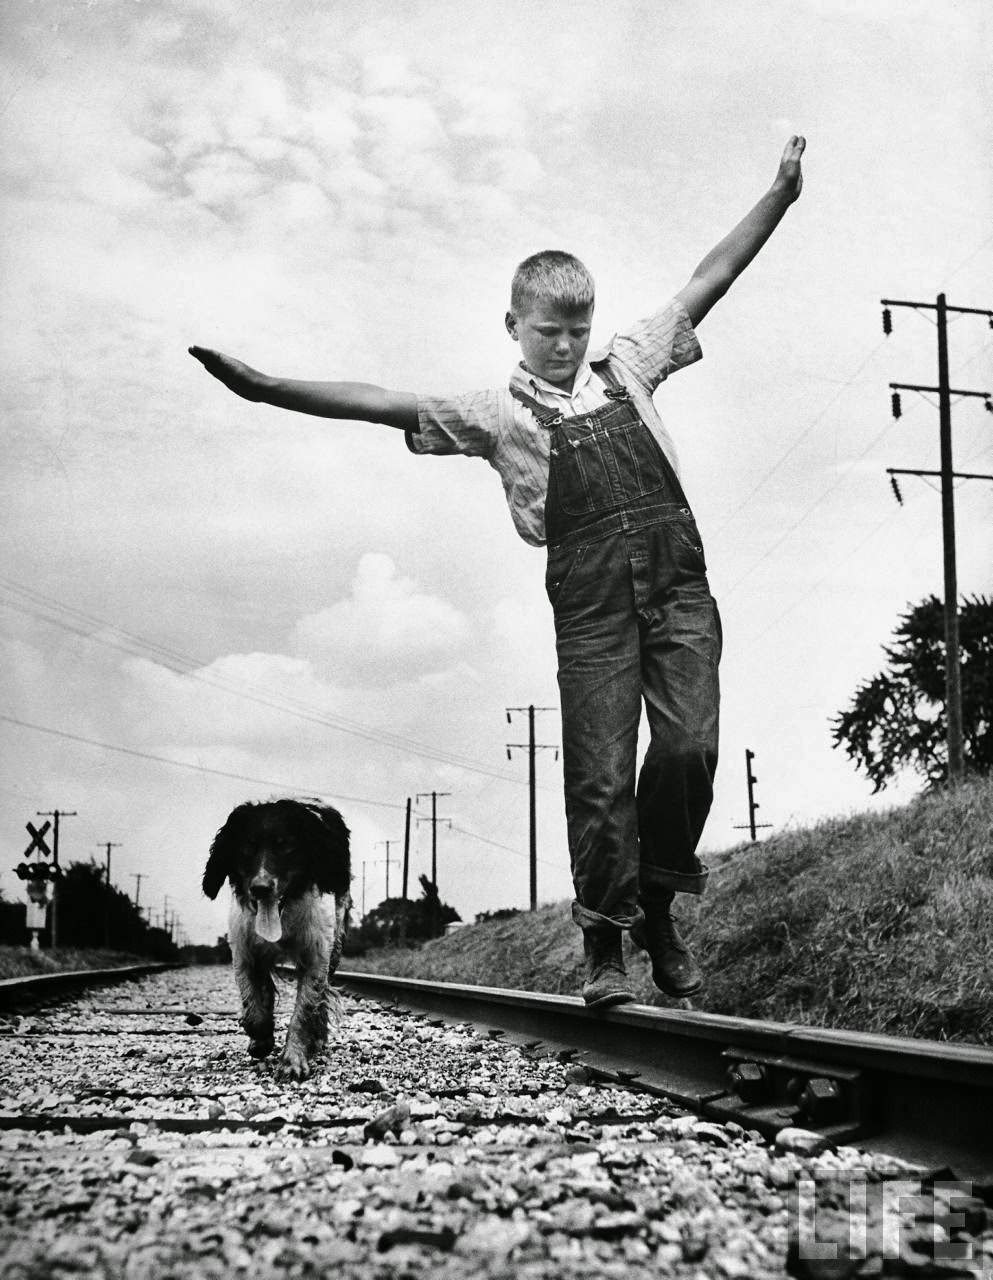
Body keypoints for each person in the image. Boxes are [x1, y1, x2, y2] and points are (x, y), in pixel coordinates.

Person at [190, 135, 806, 1009]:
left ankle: (658, 902)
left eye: (576, 329)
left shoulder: (628, 364)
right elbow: (378, 400)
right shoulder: (492, 411)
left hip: (677, 588)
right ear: (512, 325)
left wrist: (777, 195)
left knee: (689, 750)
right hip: (590, 605)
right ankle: (604, 939)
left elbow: (709, 278)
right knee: (598, 774)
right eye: (548, 330)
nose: (564, 345)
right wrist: (266, 388)